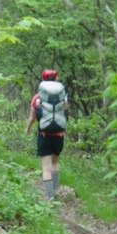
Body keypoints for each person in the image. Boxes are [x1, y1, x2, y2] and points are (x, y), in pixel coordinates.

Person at [25, 69, 68, 200]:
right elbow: (66, 114)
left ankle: (50, 197)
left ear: (43, 80)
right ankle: (53, 191)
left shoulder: (38, 97)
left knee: (46, 168)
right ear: (56, 79)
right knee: (55, 164)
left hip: (44, 134)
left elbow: (32, 117)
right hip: (59, 134)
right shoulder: (63, 96)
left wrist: (28, 129)